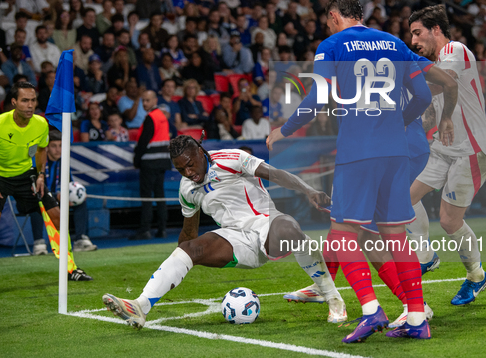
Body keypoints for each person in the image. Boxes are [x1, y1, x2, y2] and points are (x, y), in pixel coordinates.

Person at [268, 0, 433, 341]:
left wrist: (283, 130)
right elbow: (423, 96)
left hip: (358, 151)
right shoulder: (394, 42)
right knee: (395, 235)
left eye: (328, 20)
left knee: (342, 233)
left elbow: (318, 96)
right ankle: (417, 317)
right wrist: (397, 123)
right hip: (395, 152)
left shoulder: (331, 45)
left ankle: (372, 311)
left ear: (333, 16)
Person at [102, 135, 345, 328]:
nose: (188, 173)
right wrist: (178, 265)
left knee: (289, 226)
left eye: (190, 164)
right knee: (190, 249)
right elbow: (188, 234)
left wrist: (309, 191)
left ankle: (332, 297)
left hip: (268, 224)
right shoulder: (187, 188)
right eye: (180, 169)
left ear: (200, 152)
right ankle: (140, 306)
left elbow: (277, 175)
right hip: (234, 239)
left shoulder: (233, 158)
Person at [405, 5, 486, 307]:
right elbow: (429, 117)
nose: (414, 40)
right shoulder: (434, 64)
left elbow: (439, 85)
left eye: (417, 33)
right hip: (443, 149)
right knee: (403, 200)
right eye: (410, 35)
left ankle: (476, 275)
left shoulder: (455, 50)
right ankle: (425, 257)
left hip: (471, 150)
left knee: (448, 220)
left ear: (436, 30)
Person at [0, 82, 92, 291]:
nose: (30, 105)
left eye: (33, 100)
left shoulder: (40, 123)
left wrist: (40, 174)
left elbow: (41, 149)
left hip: (25, 176)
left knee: (58, 215)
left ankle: (71, 269)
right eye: (25, 100)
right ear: (14, 102)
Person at [39, 129, 97, 251]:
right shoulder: (40, 162)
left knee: (80, 201)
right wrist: (56, 196)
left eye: (60, 145)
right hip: (42, 199)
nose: (58, 149)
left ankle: (80, 240)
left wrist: (78, 194)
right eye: (54, 146)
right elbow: (37, 190)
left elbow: (70, 184)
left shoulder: (64, 162)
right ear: (47, 148)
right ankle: (39, 244)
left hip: (58, 199)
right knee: (37, 203)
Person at [130, 90, 171, 240]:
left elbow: (143, 142)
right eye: (143, 101)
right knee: (160, 195)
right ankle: (162, 229)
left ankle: (145, 229)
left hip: (149, 162)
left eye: (147, 100)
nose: (145, 103)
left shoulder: (150, 117)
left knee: (146, 197)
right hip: (162, 161)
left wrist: (136, 160)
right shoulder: (162, 117)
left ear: (154, 100)